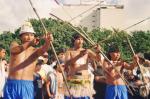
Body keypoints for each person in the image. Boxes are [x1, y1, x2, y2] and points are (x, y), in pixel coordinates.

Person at [4, 21, 53, 99]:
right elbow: (14, 50)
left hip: (27, 85)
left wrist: (48, 41)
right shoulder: (14, 45)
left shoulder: (35, 51)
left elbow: (44, 50)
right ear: (20, 36)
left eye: (31, 35)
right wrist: (30, 43)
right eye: (26, 34)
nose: (29, 37)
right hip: (11, 84)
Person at [64, 33, 102, 99]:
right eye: (78, 39)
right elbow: (67, 64)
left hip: (85, 79)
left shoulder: (88, 51)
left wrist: (98, 51)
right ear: (74, 40)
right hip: (73, 79)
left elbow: (98, 59)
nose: (81, 41)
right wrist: (79, 55)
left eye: (82, 39)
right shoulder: (69, 51)